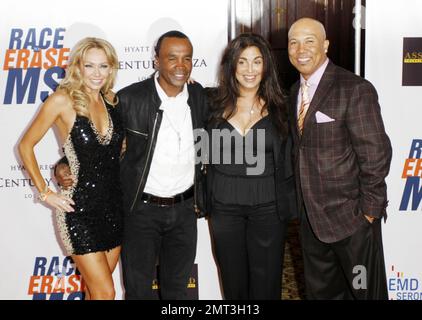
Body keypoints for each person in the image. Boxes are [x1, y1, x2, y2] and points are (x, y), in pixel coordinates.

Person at [58, 30, 208, 300]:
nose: (180, 65)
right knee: (138, 291)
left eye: (187, 59)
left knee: (179, 292)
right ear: (156, 60)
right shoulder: (128, 99)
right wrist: (62, 165)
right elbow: (97, 144)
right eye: (171, 58)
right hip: (141, 212)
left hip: (185, 211)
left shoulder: (200, 97)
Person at [287, 17, 392, 299]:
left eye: (309, 41)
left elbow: (376, 154)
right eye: (293, 42)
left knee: (364, 293)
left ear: (326, 45)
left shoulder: (354, 89)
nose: (300, 49)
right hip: (311, 222)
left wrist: (368, 213)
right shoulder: (294, 92)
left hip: (352, 222)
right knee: (323, 295)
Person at [18, 37, 124, 300]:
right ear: (78, 67)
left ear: (111, 68)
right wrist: (44, 192)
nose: (97, 73)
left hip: (113, 209)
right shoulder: (61, 101)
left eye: (103, 66)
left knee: (93, 292)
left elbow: (111, 155)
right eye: (90, 66)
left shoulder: (111, 101)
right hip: (79, 213)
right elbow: (25, 146)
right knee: (105, 293)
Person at [206, 33, 296, 299]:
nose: (250, 70)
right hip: (223, 206)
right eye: (242, 62)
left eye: (257, 62)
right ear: (232, 65)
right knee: (233, 282)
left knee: (266, 282)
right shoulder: (209, 103)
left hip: (268, 207)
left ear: (266, 66)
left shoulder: (283, 106)